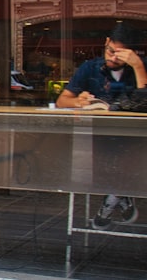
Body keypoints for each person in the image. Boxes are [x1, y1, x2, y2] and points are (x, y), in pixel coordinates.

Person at [57, 23, 146, 229]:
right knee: (106, 168)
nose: (113, 58)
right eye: (110, 51)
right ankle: (120, 197)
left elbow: (145, 103)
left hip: (136, 137)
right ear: (106, 42)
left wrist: (138, 67)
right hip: (103, 135)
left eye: (120, 55)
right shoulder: (91, 68)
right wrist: (79, 102)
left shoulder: (141, 67)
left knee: (129, 165)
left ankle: (111, 201)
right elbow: (63, 101)